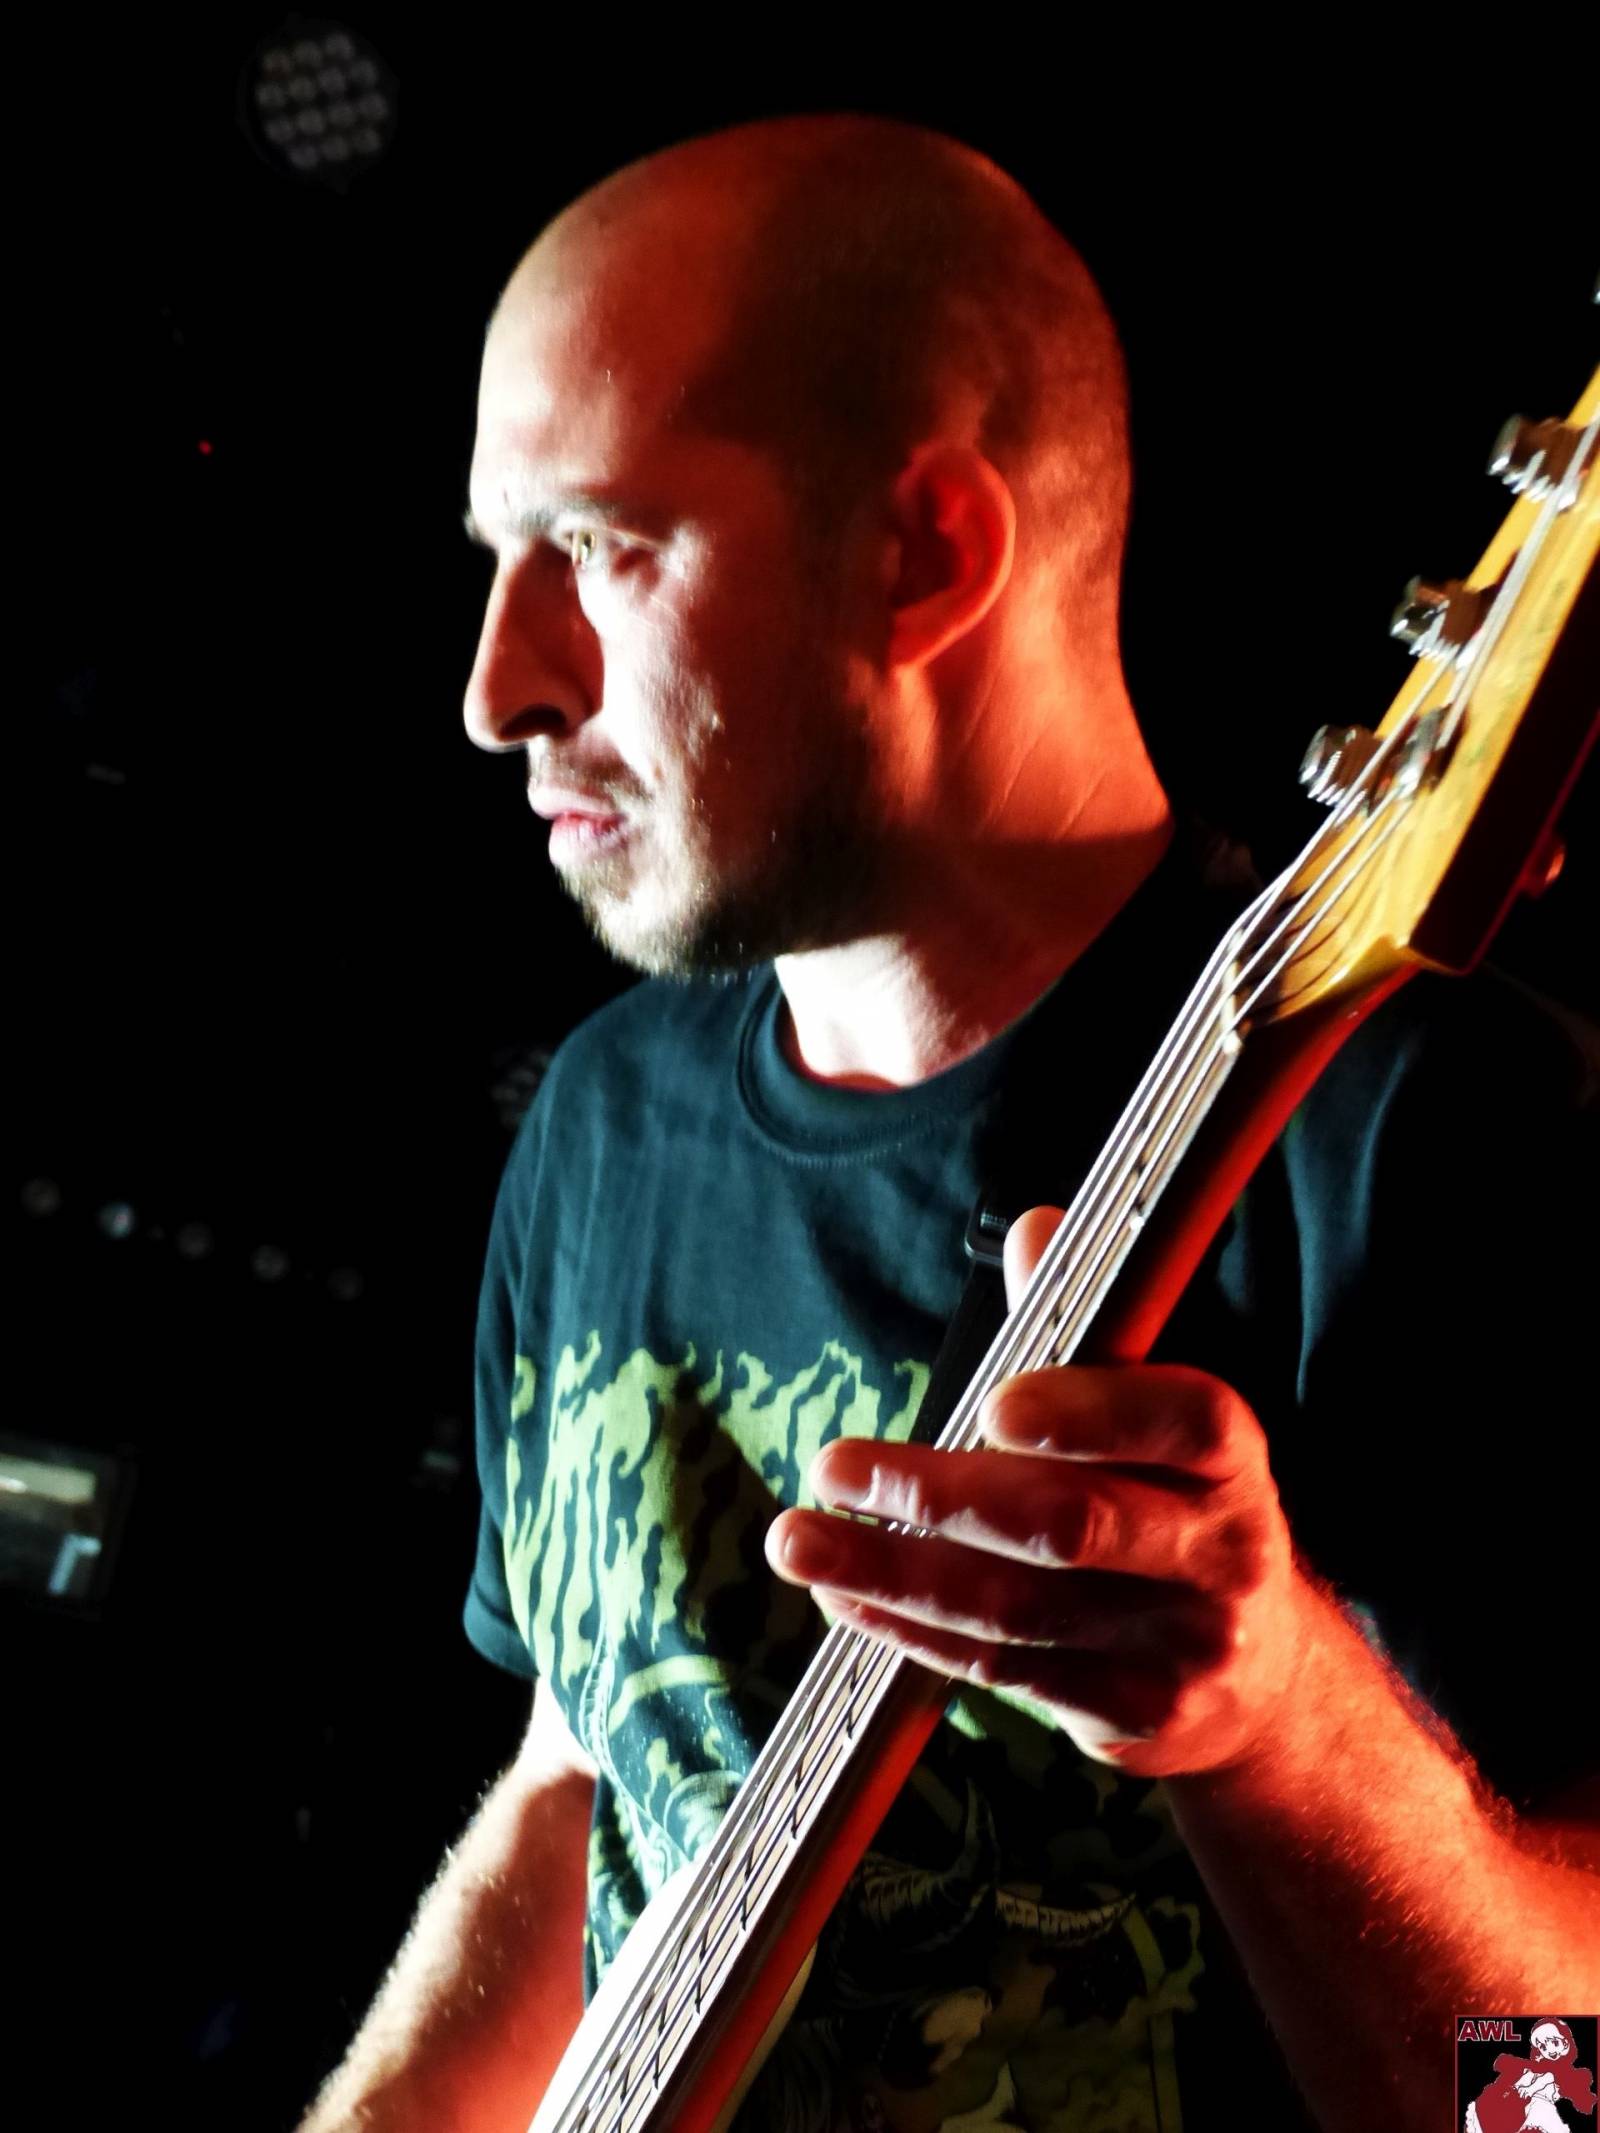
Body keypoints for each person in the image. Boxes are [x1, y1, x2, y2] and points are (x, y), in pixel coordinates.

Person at [299, 113, 1599, 2133]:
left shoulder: (1438, 1142)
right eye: (496, 556)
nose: (496, 686)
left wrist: (1276, 1723)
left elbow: (1556, 2106)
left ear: (920, 555)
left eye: (602, 546)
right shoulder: (605, 1119)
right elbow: (586, 1776)